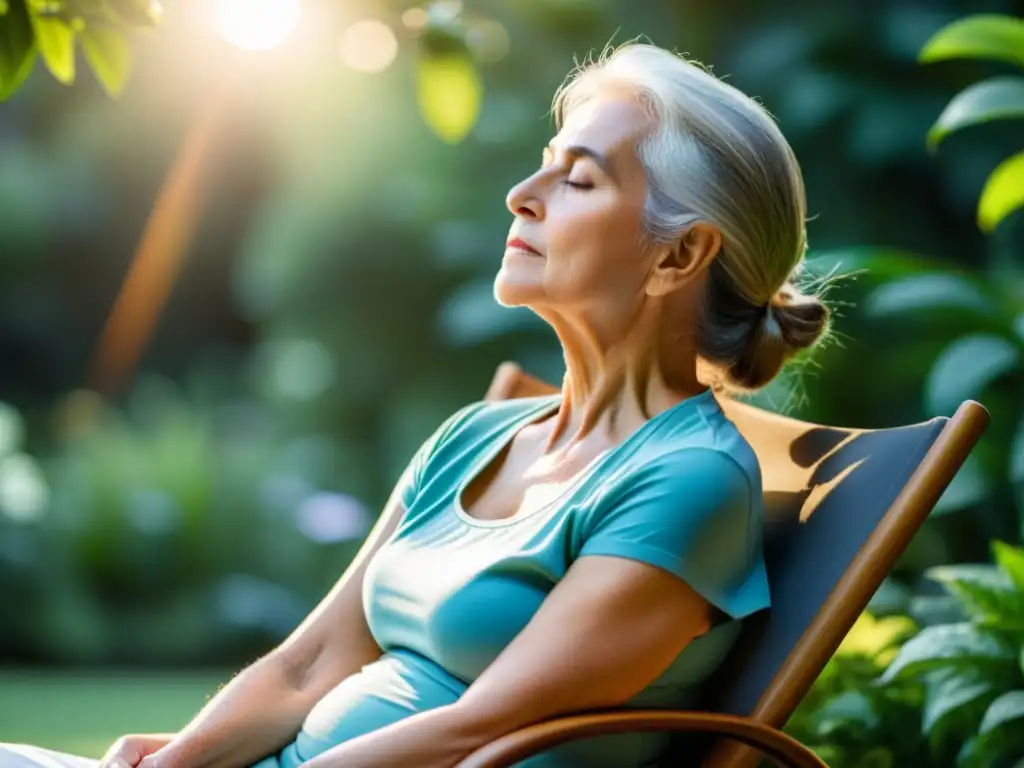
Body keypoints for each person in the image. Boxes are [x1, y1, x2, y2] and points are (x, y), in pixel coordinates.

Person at [1, 41, 830, 768]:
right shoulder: (475, 437)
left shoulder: (688, 479)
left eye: (577, 178)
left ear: (679, 253)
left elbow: (484, 726)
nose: (523, 193)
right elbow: (308, 664)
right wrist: (181, 761)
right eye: (545, 161)